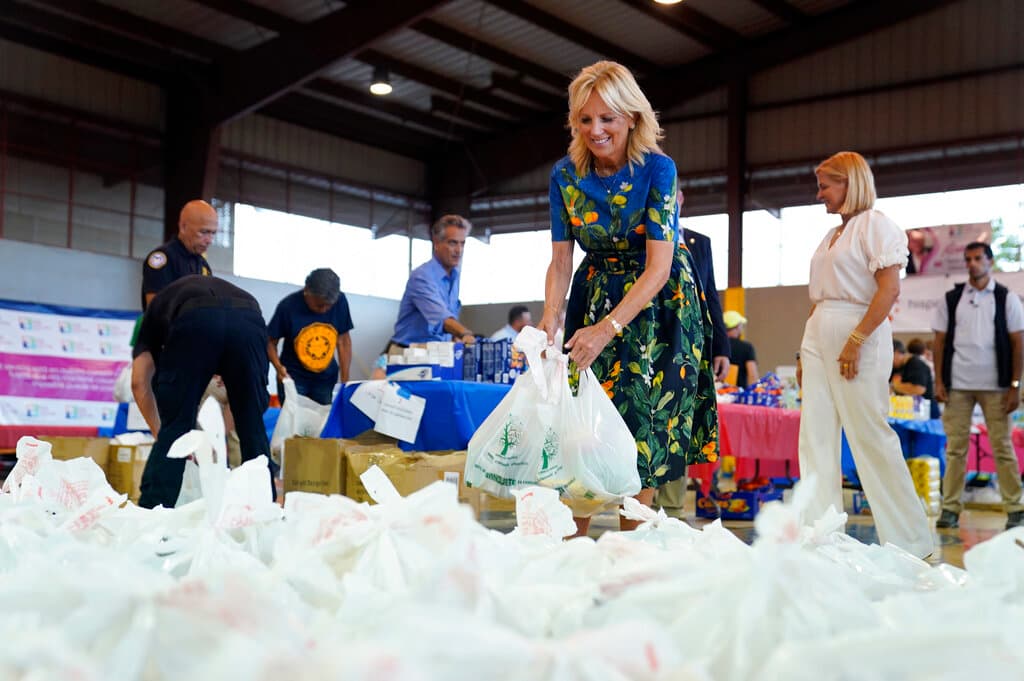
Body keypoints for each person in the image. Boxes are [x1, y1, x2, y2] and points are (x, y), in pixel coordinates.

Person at [537, 60, 718, 537]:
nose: (595, 130)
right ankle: (570, 549)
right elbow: (560, 260)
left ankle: (630, 553)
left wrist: (607, 329)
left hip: (659, 305)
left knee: (644, 428)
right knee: (583, 427)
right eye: (585, 119)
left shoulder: (658, 169)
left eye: (607, 118)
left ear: (632, 117)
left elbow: (659, 266)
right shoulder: (565, 175)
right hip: (594, 292)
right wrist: (550, 318)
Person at [796, 150, 932, 559]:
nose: (819, 194)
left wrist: (856, 340)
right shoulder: (831, 235)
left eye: (825, 186)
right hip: (819, 328)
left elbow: (889, 290)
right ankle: (821, 537)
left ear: (849, 183)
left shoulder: (875, 225)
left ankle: (911, 540)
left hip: (858, 329)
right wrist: (804, 354)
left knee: (869, 434)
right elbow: (821, 297)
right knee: (815, 435)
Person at [131, 275, 275, 509]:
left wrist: (164, 434)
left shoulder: (152, 317)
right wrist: (212, 440)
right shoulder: (179, 300)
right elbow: (244, 405)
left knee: (175, 429)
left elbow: (138, 383)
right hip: (250, 318)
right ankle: (264, 511)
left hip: (196, 318)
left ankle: (154, 512)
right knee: (253, 427)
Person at [932, 242, 1023, 530]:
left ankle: (1015, 508)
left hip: (997, 386)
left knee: (1002, 447)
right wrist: (939, 380)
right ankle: (950, 508)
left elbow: (1018, 342)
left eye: (978, 258)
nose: (972, 263)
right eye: (968, 259)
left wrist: (1015, 385)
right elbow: (939, 342)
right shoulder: (952, 299)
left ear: (990, 262)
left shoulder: (1006, 298)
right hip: (957, 385)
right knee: (955, 450)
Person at [654, 189, 730, 519]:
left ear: (681, 198)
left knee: (678, 420)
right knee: (648, 420)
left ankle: (671, 509)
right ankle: (641, 507)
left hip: (689, 341)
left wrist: (721, 347)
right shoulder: (642, 235)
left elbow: (710, 294)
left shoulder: (700, 242)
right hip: (650, 336)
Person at [388, 214, 476, 355]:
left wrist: (456, 337)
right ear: (436, 242)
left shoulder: (455, 276)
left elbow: (449, 322)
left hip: (436, 353)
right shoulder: (421, 277)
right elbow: (443, 319)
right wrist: (465, 334)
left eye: (462, 243)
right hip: (408, 354)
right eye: (453, 243)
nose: (459, 250)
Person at [267, 268, 354, 406]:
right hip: (294, 379)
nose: (324, 310)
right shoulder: (288, 306)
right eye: (320, 305)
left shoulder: (340, 301)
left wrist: (345, 381)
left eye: (329, 306)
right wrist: (278, 368)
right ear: (307, 290)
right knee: (293, 419)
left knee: (323, 417)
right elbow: (270, 342)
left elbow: (343, 341)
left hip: (326, 380)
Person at [141, 199, 217, 309]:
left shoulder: (203, 265)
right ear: (183, 227)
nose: (209, 240)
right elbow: (156, 310)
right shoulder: (162, 258)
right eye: (204, 232)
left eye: (213, 233)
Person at [891, 338, 939, 419]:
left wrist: (896, 386)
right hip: (909, 412)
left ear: (896, 353)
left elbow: (918, 389)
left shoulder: (916, 364)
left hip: (926, 413)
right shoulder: (896, 368)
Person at [724, 310, 759, 387]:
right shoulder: (746, 347)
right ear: (737, 327)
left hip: (716, 392)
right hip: (739, 392)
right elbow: (752, 375)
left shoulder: (715, 346)